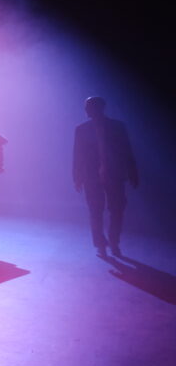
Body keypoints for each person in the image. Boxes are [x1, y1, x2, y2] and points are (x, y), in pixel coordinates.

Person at [73, 96, 138, 257]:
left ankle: (113, 242)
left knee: (116, 209)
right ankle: (102, 244)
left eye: (88, 107)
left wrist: (132, 172)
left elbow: (126, 150)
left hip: (113, 174)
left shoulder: (117, 127)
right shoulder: (82, 129)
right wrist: (77, 176)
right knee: (96, 210)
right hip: (93, 176)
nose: (86, 110)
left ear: (98, 108)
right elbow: (78, 155)